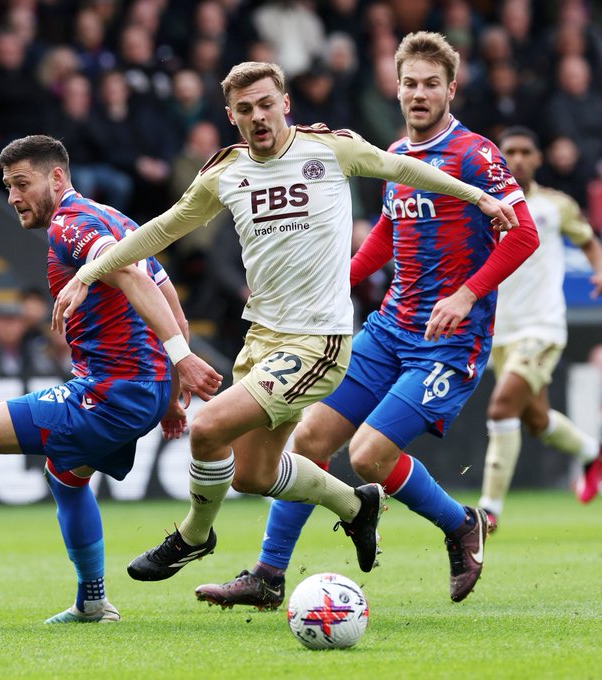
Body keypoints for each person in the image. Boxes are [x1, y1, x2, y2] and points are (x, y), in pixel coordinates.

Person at [51, 56, 526, 591]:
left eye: (266, 105)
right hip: (264, 337)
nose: (258, 117)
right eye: (245, 109)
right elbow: (162, 229)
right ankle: (352, 507)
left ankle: (193, 536)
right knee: (257, 474)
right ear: (232, 116)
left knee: (209, 430)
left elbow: (402, 168)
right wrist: (91, 271)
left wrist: (479, 196)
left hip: (319, 342)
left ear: (286, 105)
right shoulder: (225, 171)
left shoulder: (331, 149)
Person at [171, 37, 538, 611]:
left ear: (451, 89)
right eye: (410, 83)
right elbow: (388, 235)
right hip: (389, 328)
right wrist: (335, 280)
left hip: (448, 341)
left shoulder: (474, 155)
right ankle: (268, 576)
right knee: (309, 439)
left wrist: (466, 296)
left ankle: (463, 523)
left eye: (431, 84)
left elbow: (523, 233)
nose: (419, 94)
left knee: (369, 457)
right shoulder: (393, 152)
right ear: (396, 87)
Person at [0, 135, 221, 623]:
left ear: (57, 178)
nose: (13, 197)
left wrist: (182, 361)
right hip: (140, 392)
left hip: (108, 392)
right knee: (66, 478)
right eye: (7, 186)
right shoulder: (117, 219)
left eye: (22, 183)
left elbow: (133, 279)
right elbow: (173, 310)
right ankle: (93, 601)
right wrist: (168, 394)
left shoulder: (71, 224)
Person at [477, 126, 602, 526]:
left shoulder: (555, 205)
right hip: (501, 330)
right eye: (508, 151)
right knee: (535, 420)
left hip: (542, 327)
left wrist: (599, 270)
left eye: (524, 151)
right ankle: (591, 451)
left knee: (501, 406)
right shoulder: (484, 204)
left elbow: (587, 240)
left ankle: (488, 510)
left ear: (537, 158)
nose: (516, 158)